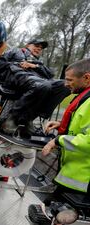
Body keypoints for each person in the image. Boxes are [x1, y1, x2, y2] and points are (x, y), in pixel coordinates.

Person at [28, 58, 90, 225]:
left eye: (70, 80)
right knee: (50, 208)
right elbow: (82, 127)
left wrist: (57, 140)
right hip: (74, 173)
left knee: (58, 213)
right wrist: (61, 125)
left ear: (86, 78)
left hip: (82, 180)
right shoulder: (85, 98)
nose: (65, 84)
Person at [0, 39, 70, 134]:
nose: (38, 49)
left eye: (40, 48)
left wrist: (34, 66)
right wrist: (18, 64)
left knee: (64, 85)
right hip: (17, 76)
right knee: (43, 85)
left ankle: (29, 119)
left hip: (37, 81)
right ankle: (13, 117)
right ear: (28, 45)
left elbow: (50, 74)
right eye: (36, 46)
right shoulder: (16, 51)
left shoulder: (39, 62)